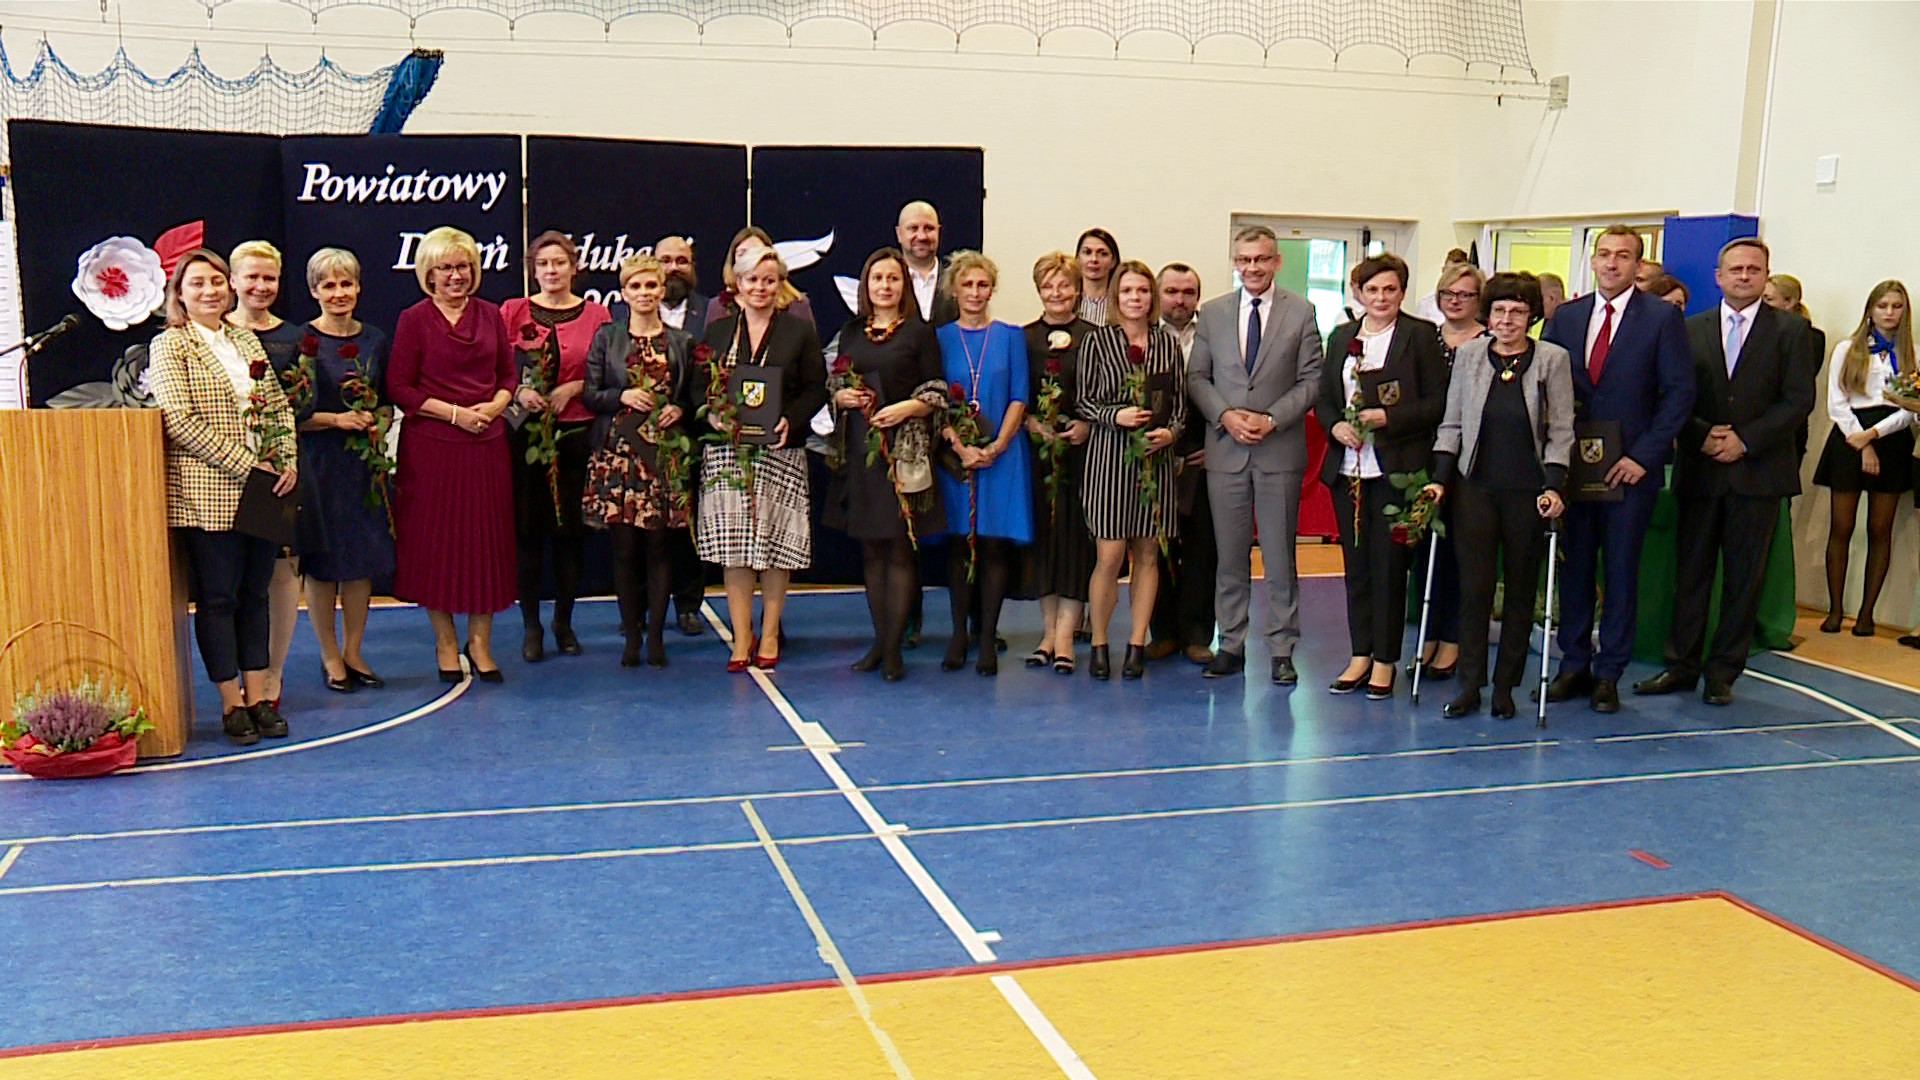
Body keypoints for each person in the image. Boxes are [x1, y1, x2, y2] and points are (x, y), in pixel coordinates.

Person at [1635, 238, 1817, 706]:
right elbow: (1671, 393)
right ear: (1718, 277)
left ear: (1765, 276)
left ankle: (1722, 673)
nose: (1744, 276)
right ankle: (1681, 666)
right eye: (1735, 269)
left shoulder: (1792, 332)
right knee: (1691, 575)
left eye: (1754, 269)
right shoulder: (1687, 329)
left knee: (1743, 580)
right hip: (1701, 469)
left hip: (1758, 473)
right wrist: (1700, 434)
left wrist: (1746, 440)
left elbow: (1798, 400)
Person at [1539, 225, 1694, 713]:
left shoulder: (1662, 319)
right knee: (1575, 569)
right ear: (1592, 260)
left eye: (1623, 256)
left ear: (1638, 265)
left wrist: (1643, 456)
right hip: (1573, 468)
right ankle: (1573, 665)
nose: (1611, 263)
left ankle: (1609, 673)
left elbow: (1679, 393)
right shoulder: (1566, 317)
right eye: (1604, 254)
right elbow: (1543, 386)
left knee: (1621, 572)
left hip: (1628, 468)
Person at [148, 248, 298, 744]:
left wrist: (286, 459)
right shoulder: (170, 345)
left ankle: (259, 698)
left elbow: (277, 407)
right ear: (180, 293)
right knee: (219, 600)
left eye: (216, 281)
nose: (209, 291)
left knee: (256, 596)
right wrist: (246, 465)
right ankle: (231, 704)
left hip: (265, 489)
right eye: (197, 283)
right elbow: (179, 421)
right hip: (209, 493)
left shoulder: (245, 339)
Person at [1427, 273, 1574, 718]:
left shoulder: (1552, 359)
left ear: (1531, 316)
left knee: (1520, 590)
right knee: (1474, 589)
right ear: (1488, 316)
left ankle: (1506, 686)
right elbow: (1452, 423)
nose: (1507, 320)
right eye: (1499, 311)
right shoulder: (1470, 356)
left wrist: (1554, 484)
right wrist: (1440, 478)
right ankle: (1470, 683)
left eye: (1517, 311)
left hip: (1528, 492)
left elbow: (1562, 429)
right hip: (1475, 487)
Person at [1188, 226, 1325, 685]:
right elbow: (1197, 378)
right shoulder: (1213, 313)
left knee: (1280, 556)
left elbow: (1311, 381)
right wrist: (1225, 416)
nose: (1253, 267)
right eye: (1245, 259)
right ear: (1235, 262)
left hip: (1278, 450)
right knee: (1229, 556)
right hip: (1225, 451)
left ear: (1276, 262)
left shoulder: (1301, 312)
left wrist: (1271, 419)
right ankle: (1230, 643)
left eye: (1261, 259)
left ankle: (1282, 648)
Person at [386, 226, 518, 684]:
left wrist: (495, 408)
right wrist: (455, 414)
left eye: (463, 266)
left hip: (486, 446)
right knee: (436, 546)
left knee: (486, 544)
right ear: (429, 273)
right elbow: (399, 386)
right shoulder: (413, 319)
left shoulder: (491, 315)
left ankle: (480, 644)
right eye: (446, 268)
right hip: (433, 449)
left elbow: (508, 375)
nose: (456, 276)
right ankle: (445, 642)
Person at [1316, 253, 1448, 699]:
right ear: (1358, 293)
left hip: (1397, 469)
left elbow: (1436, 402)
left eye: (1390, 289)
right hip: (1349, 471)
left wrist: (1388, 418)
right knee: (1356, 568)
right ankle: (1360, 653)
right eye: (1372, 289)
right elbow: (1325, 398)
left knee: (1390, 568)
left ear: (1402, 292)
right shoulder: (1341, 337)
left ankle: (1385, 660)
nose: (1381, 297)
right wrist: (1335, 426)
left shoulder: (1420, 335)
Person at [695, 243, 828, 672]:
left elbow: (816, 387)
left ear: (780, 285)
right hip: (728, 453)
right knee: (735, 549)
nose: (760, 288)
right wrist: (713, 415)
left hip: (779, 451)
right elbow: (698, 387)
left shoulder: (798, 331)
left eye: (769, 280)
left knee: (776, 546)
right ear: (737, 283)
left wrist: (792, 419)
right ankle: (741, 636)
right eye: (752, 279)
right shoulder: (717, 332)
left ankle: (770, 632)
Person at [825, 248, 946, 681]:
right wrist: (840, 397)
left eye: (893, 278)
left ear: (904, 285)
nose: (885, 286)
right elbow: (834, 384)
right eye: (877, 278)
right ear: (866, 285)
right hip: (861, 453)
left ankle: (894, 649)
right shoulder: (851, 332)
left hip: (904, 453)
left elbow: (937, 391)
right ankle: (879, 641)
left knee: (899, 549)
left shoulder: (919, 332)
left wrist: (907, 408)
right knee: (871, 551)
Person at [501, 232, 612, 662]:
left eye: (559, 262)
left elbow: (609, 372)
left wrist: (575, 387)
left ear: (573, 267)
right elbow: (496, 368)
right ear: (533, 269)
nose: (552, 270)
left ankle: (564, 623)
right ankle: (531, 626)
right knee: (527, 534)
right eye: (544, 263)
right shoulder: (512, 311)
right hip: (526, 435)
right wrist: (518, 391)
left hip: (576, 435)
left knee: (570, 536)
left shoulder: (598, 314)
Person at [582, 254, 696, 669]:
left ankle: (657, 638)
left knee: (660, 548)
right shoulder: (607, 338)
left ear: (662, 290)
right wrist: (621, 396)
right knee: (625, 550)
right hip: (619, 456)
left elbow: (693, 396)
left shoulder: (681, 342)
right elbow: (590, 394)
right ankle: (632, 635)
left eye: (651, 286)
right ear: (624, 292)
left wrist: (679, 410)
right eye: (636, 286)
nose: (645, 293)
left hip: (663, 455)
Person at [293, 247, 394, 694]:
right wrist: (336, 420)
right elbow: (291, 414)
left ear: (358, 287)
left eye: (346, 283)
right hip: (320, 464)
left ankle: (354, 651)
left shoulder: (375, 339)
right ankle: (329, 654)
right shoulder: (301, 342)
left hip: (362, 466)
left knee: (361, 560)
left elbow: (387, 400)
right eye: (329, 285)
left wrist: (378, 424)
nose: (339, 293)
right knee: (323, 565)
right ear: (314, 291)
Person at [1079, 260, 1184, 680]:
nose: (1135, 298)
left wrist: (1171, 434)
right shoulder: (1096, 342)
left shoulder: (1167, 343)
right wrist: (1114, 415)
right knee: (1109, 556)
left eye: (1142, 291)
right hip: (1109, 457)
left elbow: (1179, 406)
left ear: (1151, 297)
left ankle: (1137, 643)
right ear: (1116, 297)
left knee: (1148, 553)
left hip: (1154, 462)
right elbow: (1083, 401)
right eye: (1127, 291)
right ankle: (1100, 641)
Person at [934, 251, 1033, 676]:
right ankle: (959, 634)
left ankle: (988, 635)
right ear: (954, 290)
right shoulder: (939, 338)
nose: (975, 293)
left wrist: (996, 446)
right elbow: (934, 399)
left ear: (992, 290)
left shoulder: (1010, 336)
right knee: (959, 544)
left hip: (1002, 457)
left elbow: (1019, 395)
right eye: (967, 285)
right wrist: (961, 448)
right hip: (955, 457)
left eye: (983, 285)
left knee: (993, 544)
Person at [227, 240, 306, 712]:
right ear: (233, 281)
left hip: (279, 471)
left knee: (279, 570)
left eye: (269, 277)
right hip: (221, 473)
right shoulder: (211, 334)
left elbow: (305, 403)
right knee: (231, 579)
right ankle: (238, 677)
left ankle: (271, 675)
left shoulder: (295, 337)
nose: (260, 286)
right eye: (251, 277)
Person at [1812, 281, 1914, 636]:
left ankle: (1867, 614)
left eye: (1896, 306)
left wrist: (1874, 436)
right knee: (1841, 527)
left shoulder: (1913, 355)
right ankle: (1835, 610)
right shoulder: (1847, 349)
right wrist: (1862, 442)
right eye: (1882, 305)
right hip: (1849, 438)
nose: (1889, 313)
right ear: (1870, 309)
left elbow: (1911, 410)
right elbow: (1836, 402)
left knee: (1880, 530)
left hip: (1892, 438)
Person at [1018, 252, 1098, 674]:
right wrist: (1030, 422)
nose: (1056, 292)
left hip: (1083, 456)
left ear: (1078, 289)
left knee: (1075, 543)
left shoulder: (1096, 338)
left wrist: (1087, 425)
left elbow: (1107, 393)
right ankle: (1048, 633)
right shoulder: (1024, 338)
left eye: (1064, 284)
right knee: (1046, 542)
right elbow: (1016, 394)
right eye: (1048, 285)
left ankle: (1067, 635)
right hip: (1038, 456)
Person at [1415, 262, 1488, 682]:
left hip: (1471, 463)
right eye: (1448, 294)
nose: (1455, 301)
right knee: (1426, 552)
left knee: (1462, 553)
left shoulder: (1489, 342)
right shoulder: (1424, 338)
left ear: (1479, 301)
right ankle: (1427, 634)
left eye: (1465, 295)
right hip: (1422, 457)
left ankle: (1453, 639)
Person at [1148, 261, 1216, 666]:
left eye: (1188, 292)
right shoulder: (1142, 336)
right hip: (1155, 457)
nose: (1179, 299)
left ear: (1197, 297)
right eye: (1171, 291)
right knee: (1156, 550)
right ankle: (1163, 633)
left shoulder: (1214, 337)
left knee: (1202, 549)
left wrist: (1216, 444)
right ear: (1158, 295)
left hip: (1204, 456)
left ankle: (1197, 635)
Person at [654, 234, 711, 638]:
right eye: (665, 260)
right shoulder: (623, 311)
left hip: (693, 434)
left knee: (689, 524)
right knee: (644, 527)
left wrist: (687, 409)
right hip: (641, 435)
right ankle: (642, 606)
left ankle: (689, 605)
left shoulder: (712, 312)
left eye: (681, 260)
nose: (674, 268)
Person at [703, 226, 815, 328]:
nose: (751, 259)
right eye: (742, 254)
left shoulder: (797, 305)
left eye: (757, 252)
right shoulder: (718, 306)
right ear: (733, 261)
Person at [1765, 273, 1824, 463]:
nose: (1761, 304)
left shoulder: (1812, 338)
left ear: (1789, 302)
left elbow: (1796, 383)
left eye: (1768, 299)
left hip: (1788, 427)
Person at [898, 201, 960, 326]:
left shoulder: (957, 278)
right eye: (913, 228)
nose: (922, 237)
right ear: (899, 234)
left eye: (929, 228)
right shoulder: (886, 282)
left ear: (939, 232)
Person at [1074, 228, 1120, 325]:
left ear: (1114, 261)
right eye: (1087, 252)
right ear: (1077, 259)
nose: (1094, 259)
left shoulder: (1122, 303)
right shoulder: (1068, 301)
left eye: (1103, 254)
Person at [1414, 248, 1472, 324]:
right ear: (1443, 270)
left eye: (1458, 274)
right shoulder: (1426, 304)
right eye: (1449, 272)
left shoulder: (1472, 303)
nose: (1453, 277)